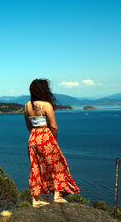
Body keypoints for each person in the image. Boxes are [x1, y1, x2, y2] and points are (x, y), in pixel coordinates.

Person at [24, 79, 80, 207]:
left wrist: (35, 135)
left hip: (33, 137)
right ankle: (57, 195)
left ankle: (35, 199)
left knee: (35, 166)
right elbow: (53, 126)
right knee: (56, 165)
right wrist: (52, 139)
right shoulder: (46, 105)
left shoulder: (27, 105)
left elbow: (28, 125)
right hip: (46, 137)